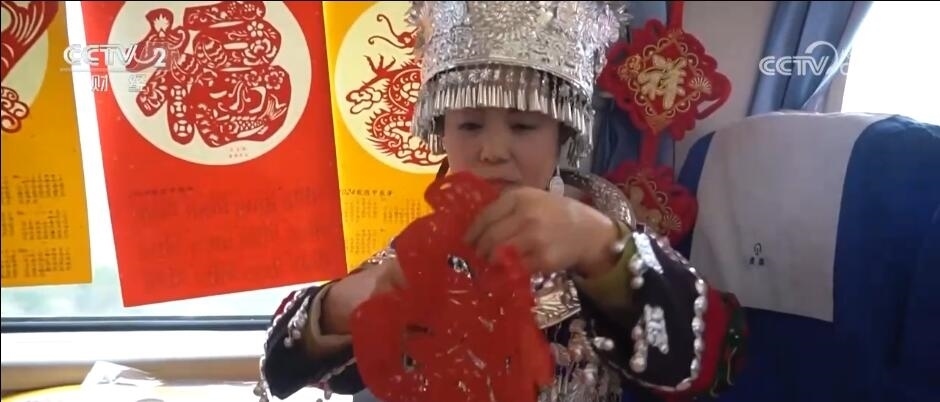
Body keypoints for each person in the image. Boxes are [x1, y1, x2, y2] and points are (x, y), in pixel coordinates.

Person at [255, 2, 747, 401]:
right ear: (440, 132)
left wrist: (601, 248)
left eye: (523, 125)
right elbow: (281, 368)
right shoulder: (424, 252)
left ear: (563, 133)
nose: (492, 150)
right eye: (469, 125)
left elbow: (712, 359)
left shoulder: (604, 237)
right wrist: (342, 305)